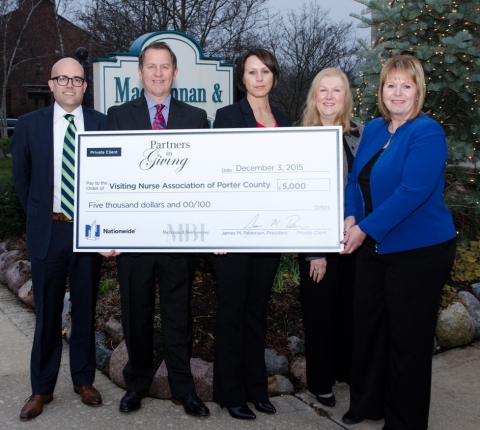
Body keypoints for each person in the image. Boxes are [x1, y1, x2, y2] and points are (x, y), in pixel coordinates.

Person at [340, 55, 456, 430]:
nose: (398, 92)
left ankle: (404, 421)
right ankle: (368, 404)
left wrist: (363, 229)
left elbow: (412, 192)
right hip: (374, 247)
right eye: (392, 85)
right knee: (369, 330)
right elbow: (354, 181)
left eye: (407, 85)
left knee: (408, 341)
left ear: (418, 91)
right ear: (382, 91)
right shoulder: (373, 129)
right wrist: (350, 217)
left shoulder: (427, 132)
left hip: (418, 252)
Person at [104, 41, 210, 417]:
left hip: (178, 235)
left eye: (165, 66)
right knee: (136, 313)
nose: (159, 73)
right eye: (151, 66)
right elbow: (107, 179)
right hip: (134, 237)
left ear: (175, 72)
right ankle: (137, 384)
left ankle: (184, 387)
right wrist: (105, 232)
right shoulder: (117, 116)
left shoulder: (196, 118)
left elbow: (203, 179)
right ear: (140, 72)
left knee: (179, 314)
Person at [11, 58, 107, 420]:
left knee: (85, 308)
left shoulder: (101, 124)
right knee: (47, 313)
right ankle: (42, 389)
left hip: (88, 231)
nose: (70, 84)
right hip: (48, 230)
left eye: (77, 79)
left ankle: (83, 379)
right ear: (51, 84)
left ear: (86, 86)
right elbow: (22, 178)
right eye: (63, 78)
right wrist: (39, 215)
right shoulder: (29, 125)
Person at [212, 48, 290, 420]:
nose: (259, 78)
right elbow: (214, 176)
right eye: (251, 72)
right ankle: (231, 394)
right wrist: (218, 232)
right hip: (232, 233)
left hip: (270, 232)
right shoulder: (227, 117)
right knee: (231, 313)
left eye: (265, 71)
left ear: (273, 76)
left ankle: (257, 389)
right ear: (241, 79)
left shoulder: (284, 118)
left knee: (257, 313)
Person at [298, 68, 363, 408]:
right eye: (322, 90)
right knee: (320, 315)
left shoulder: (361, 134)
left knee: (349, 313)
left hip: (355, 241)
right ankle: (321, 382)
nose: (328, 96)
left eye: (336, 91)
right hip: (318, 245)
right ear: (314, 96)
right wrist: (315, 252)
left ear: (345, 97)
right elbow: (299, 198)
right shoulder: (301, 137)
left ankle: (345, 370)